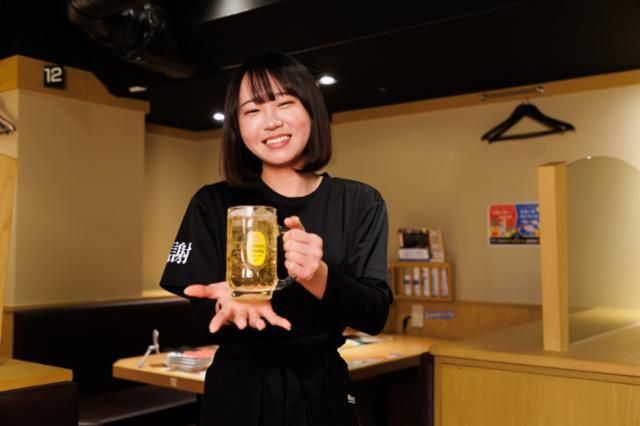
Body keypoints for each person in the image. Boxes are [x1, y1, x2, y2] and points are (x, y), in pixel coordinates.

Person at [160, 51, 392, 426]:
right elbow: (201, 314)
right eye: (252, 110)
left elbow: (375, 314)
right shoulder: (212, 202)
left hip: (322, 391)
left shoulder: (360, 202)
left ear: (311, 111)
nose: (271, 121)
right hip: (236, 394)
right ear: (237, 126)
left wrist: (317, 275)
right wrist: (226, 305)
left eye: (285, 103)